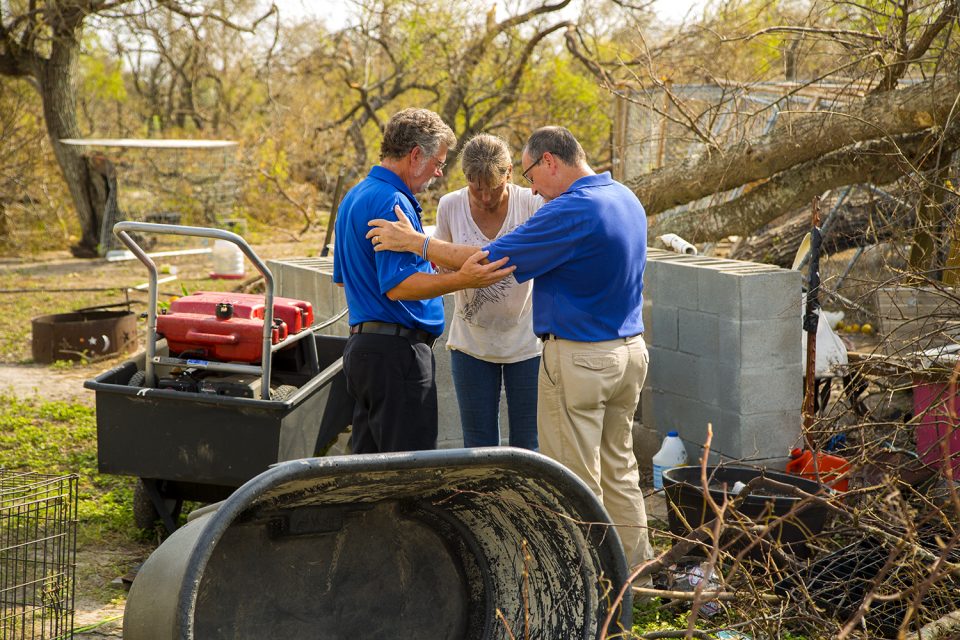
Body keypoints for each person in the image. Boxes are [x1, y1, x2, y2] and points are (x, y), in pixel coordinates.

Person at [367, 126, 653, 568]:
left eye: (531, 175)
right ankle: (637, 569)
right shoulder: (624, 198)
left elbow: (492, 261)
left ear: (550, 161)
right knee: (621, 470)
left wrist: (416, 242)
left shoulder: (569, 210)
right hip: (630, 352)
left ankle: (592, 578)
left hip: (582, 358)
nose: (533, 187)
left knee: (576, 478)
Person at [332, 108, 514, 455]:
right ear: (416, 155)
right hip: (396, 355)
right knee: (408, 468)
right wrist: (461, 280)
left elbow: (346, 280)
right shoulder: (392, 201)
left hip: (363, 351)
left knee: (369, 468)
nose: (439, 172)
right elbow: (399, 285)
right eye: (438, 162)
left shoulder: (355, 195)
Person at [435, 133, 543, 450]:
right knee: (478, 444)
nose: (485, 198)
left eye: (494, 188)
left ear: (509, 172)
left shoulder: (531, 203)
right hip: (471, 344)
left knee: (528, 442)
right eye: (476, 188)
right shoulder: (450, 205)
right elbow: (441, 263)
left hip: (526, 342)